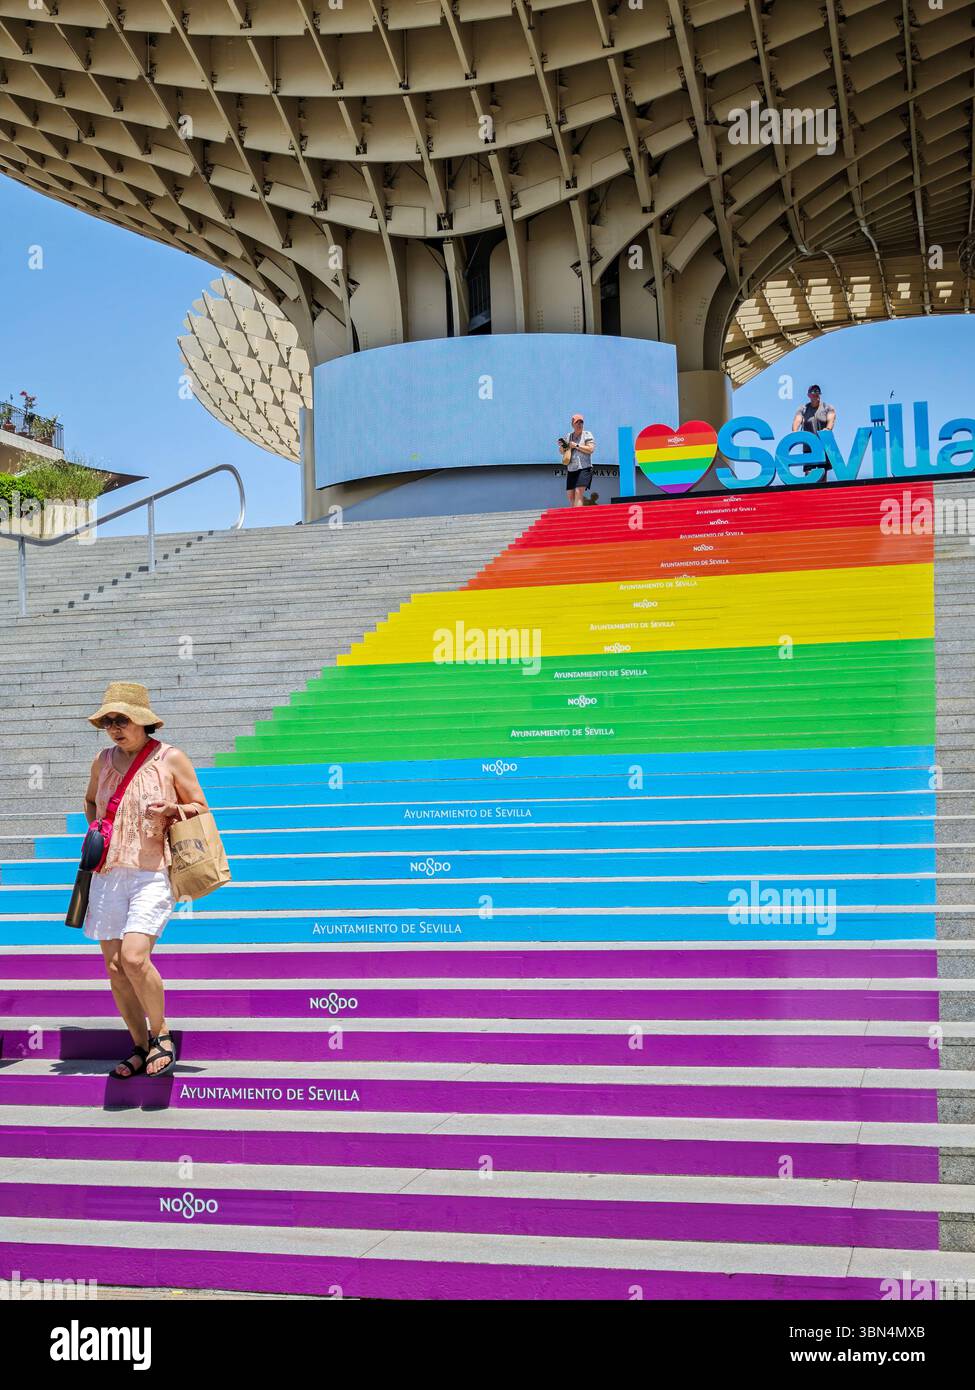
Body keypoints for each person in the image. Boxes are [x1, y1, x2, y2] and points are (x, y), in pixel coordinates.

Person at [82, 681, 209, 1079]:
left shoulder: (170, 758)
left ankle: (162, 1033)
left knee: (135, 958)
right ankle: (138, 1044)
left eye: (123, 720)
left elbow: (200, 806)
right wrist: (98, 830)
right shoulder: (102, 760)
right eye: (109, 722)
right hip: (107, 873)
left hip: (152, 871)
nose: (116, 728)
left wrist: (172, 807)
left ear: (144, 722)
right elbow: (90, 801)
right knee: (115, 968)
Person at [557, 413, 595, 507]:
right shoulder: (569, 436)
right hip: (571, 469)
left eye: (581, 422)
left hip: (584, 468)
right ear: (572, 425)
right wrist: (562, 446)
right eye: (577, 422)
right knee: (570, 495)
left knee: (578, 492)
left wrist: (577, 446)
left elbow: (591, 449)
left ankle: (578, 516)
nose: (579, 424)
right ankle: (574, 515)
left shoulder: (587, 434)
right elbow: (562, 452)